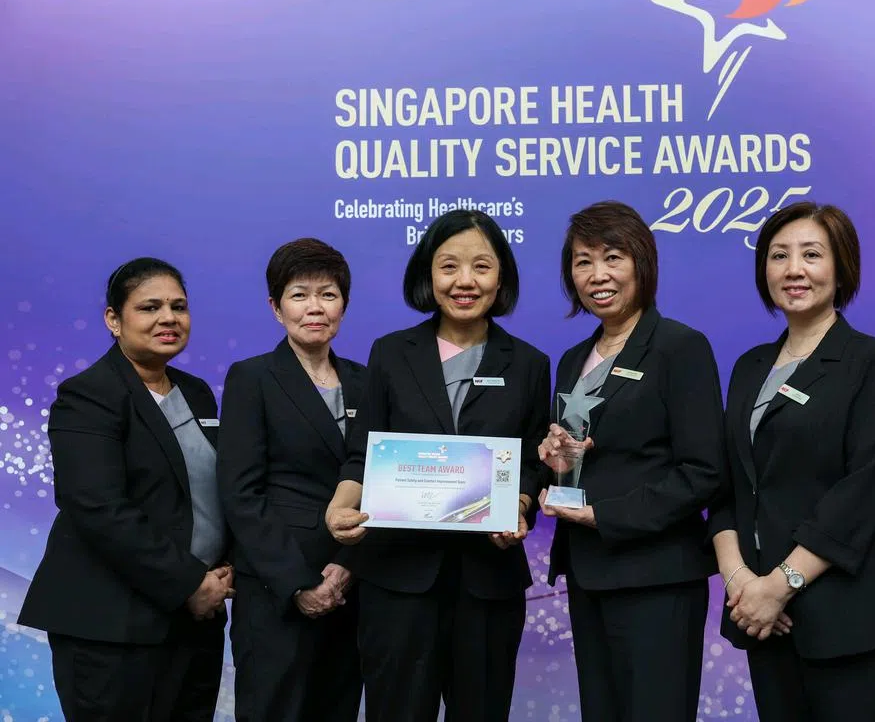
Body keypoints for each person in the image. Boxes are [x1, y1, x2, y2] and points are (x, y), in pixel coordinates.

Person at [325, 210, 550, 722]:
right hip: (398, 581)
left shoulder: (530, 363)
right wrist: (341, 506)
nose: (465, 281)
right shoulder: (390, 354)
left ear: (502, 277)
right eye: (449, 266)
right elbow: (362, 451)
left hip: (488, 582)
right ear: (428, 274)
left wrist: (517, 505)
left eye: (481, 267)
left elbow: (533, 462)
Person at [707, 202, 875, 721]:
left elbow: (866, 484)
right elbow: (729, 487)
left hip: (848, 619)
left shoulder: (872, 360)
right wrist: (742, 586)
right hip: (763, 619)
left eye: (811, 255)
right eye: (779, 256)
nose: (793, 269)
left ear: (841, 267)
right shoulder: (750, 366)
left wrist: (779, 585)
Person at [19, 258, 231, 722]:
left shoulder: (196, 392)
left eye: (179, 306)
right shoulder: (88, 395)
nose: (168, 318)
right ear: (114, 320)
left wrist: (225, 568)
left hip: (193, 620)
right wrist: (189, 582)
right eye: (149, 307)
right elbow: (98, 507)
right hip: (110, 625)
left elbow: (208, 492)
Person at [537, 200, 723, 722]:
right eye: (582, 261)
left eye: (612, 257)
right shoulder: (575, 359)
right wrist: (555, 460)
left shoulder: (680, 348)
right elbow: (589, 457)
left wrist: (607, 515)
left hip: (656, 575)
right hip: (588, 572)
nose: (597, 275)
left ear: (642, 262)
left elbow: (703, 472)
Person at [217, 238, 364, 722]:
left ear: (344, 302)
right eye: (299, 295)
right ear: (276, 307)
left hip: (351, 588)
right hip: (276, 593)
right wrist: (299, 583)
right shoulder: (252, 378)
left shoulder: (368, 381)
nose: (315, 308)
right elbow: (241, 494)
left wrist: (346, 567)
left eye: (328, 294)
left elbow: (381, 479)